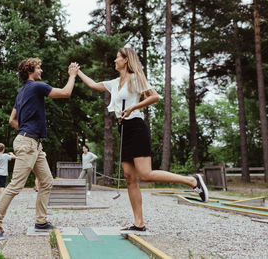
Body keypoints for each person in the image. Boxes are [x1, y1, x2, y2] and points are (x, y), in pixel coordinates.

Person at [75, 47, 208, 233]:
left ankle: (192, 181)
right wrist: (77, 72)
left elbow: (155, 97)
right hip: (124, 130)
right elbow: (93, 84)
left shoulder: (136, 78)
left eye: (117, 58)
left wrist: (133, 107)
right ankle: (139, 223)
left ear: (126, 60)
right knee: (130, 178)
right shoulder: (115, 82)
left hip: (136, 127)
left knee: (145, 174)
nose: (114, 60)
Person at [0, 58, 79, 239]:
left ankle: (41, 221)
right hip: (28, 143)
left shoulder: (21, 92)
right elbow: (66, 92)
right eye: (39, 68)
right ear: (31, 70)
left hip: (33, 143)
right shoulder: (36, 87)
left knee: (46, 181)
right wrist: (72, 75)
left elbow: (12, 120)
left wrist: (26, 132)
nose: (41, 71)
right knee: (16, 185)